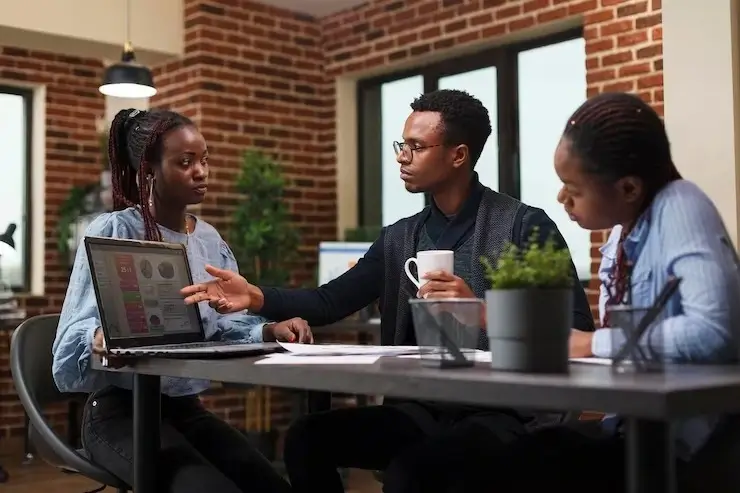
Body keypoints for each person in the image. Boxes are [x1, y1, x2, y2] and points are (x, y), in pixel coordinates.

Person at [181, 89, 595, 493]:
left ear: (458, 155)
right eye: (402, 144)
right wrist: (256, 297)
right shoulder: (400, 238)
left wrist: (481, 308)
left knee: (413, 473)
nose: (401, 156)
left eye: (416, 146)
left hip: (504, 410)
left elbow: (574, 327)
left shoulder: (524, 226)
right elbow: (330, 302)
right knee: (307, 437)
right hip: (423, 406)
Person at [457, 92, 740, 493]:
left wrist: (595, 343)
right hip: (631, 429)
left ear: (628, 188)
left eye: (573, 186)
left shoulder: (680, 206)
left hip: (684, 451)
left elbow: (714, 332)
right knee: (510, 458)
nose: (561, 198)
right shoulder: (625, 230)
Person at [52, 108, 312, 493]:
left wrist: (270, 329)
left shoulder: (209, 240)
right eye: (185, 162)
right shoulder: (114, 230)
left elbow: (223, 327)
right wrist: (99, 337)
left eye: (204, 160)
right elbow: (70, 341)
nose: (201, 171)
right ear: (149, 171)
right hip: (119, 412)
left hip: (185, 412)